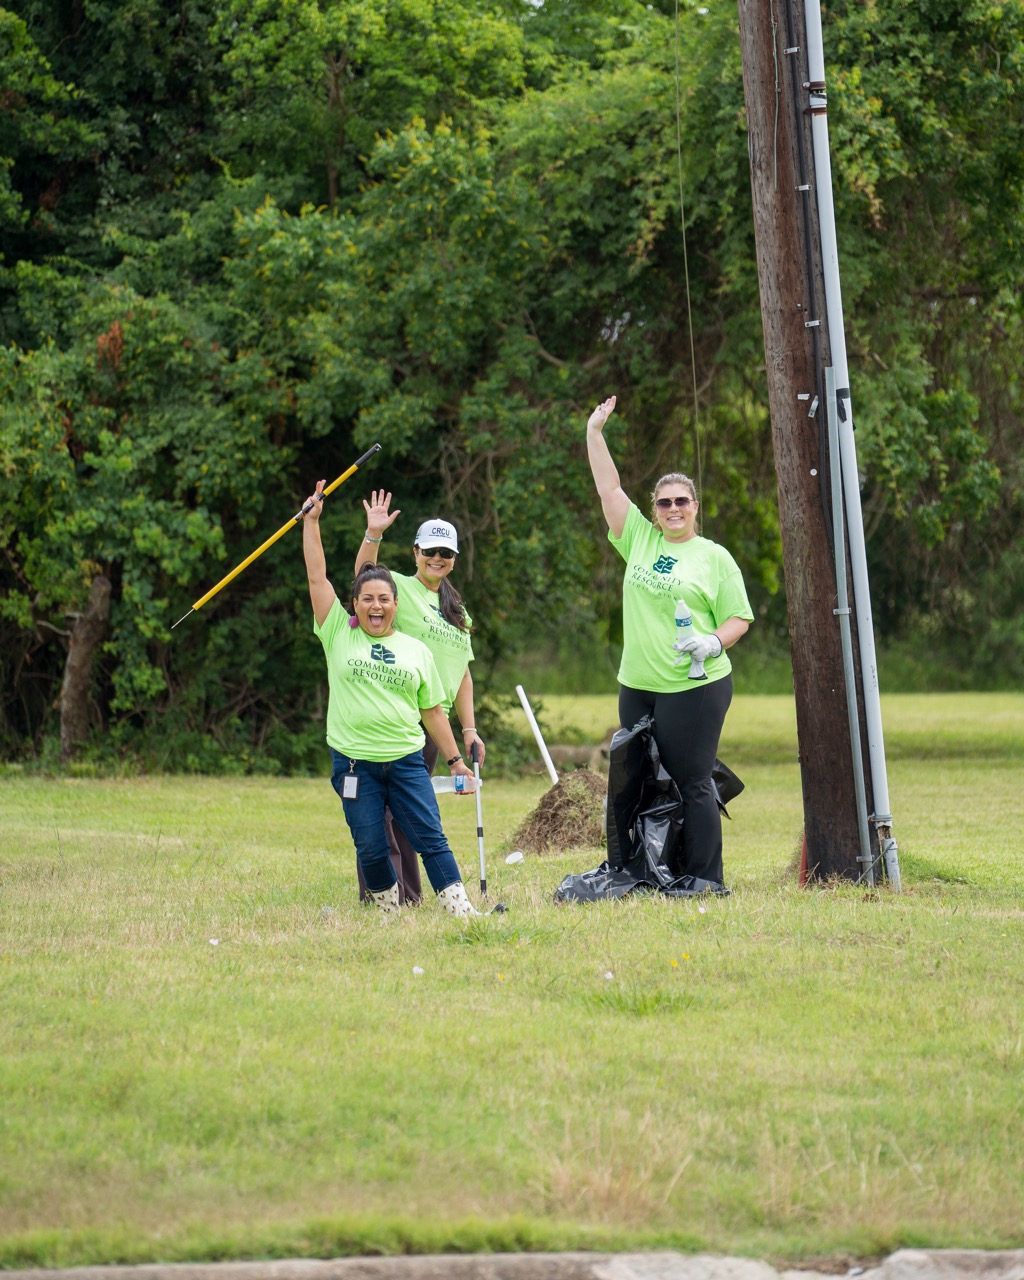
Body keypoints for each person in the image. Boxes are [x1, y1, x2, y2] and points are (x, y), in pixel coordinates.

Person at [585, 395, 754, 887]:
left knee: (692, 781)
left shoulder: (714, 557)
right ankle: (652, 870)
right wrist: (595, 433)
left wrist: (713, 643)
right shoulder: (639, 538)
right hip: (638, 683)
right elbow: (609, 488)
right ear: (655, 511)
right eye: (665, 502)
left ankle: (705, 879)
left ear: (695, 508)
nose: (673, 508)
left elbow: (739, 618)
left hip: (694, 686)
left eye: (682, 501)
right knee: (637, 778)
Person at [300, 479, 480, 919]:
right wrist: (311, 524)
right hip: (355, 762)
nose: (376, 606)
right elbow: (316, 575)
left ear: (397, 604)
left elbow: (432, 710)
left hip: (405, 759)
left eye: (384, 599)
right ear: (355, 603)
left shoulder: (416, 649)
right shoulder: (337, 631)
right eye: (368, 599)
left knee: (429, 835)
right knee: (370, 843)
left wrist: (457, 760)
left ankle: (461, 910)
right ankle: (386, 910)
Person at [352, 491, 484, 906]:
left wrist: (469, 729)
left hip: (434, 724)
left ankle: (406, 896)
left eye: (446, 552)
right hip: (398, 714)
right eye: (430, 550)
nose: (437, 558)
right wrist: (373, 533)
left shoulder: (458, 610)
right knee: (382, 816)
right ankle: (382, 895)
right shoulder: (401, 591)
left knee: (411, 818)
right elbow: (363, 579)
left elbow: (462, 674)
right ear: (416, 552)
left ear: (454, 558)